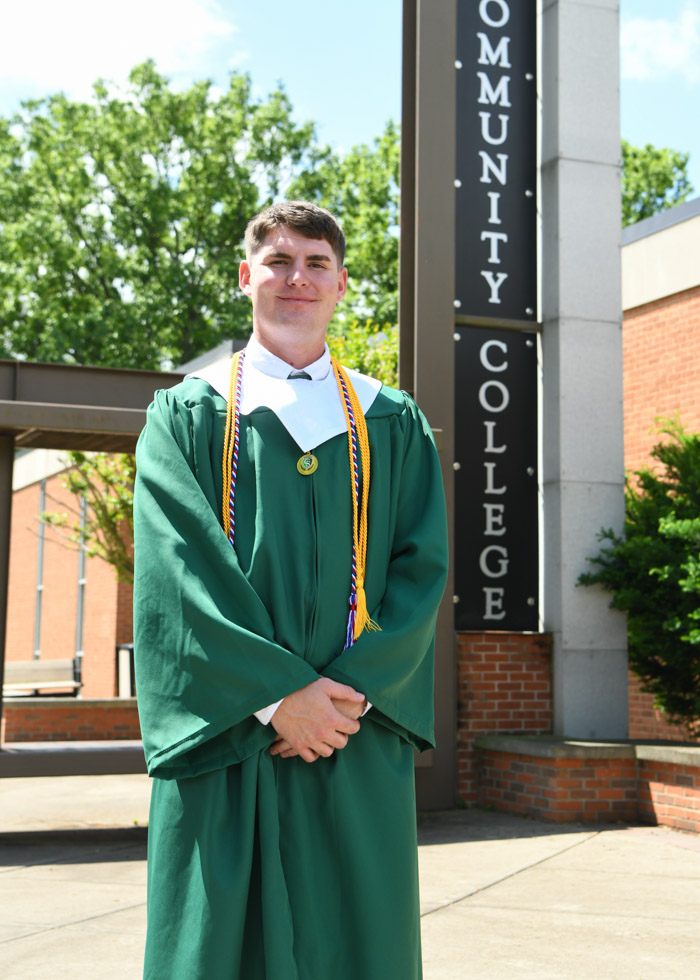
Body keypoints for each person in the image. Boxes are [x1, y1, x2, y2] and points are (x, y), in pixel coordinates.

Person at [133, 201, 448, 980]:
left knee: (357, 947)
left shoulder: (393, 421)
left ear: (342, 283)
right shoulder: (187, 415)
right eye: (278, 262)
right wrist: (279, 698)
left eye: (314, 264)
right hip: (232, 733)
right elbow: (179, 575)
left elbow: (420, 572)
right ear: (247, 277)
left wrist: (345, 698)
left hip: (353, 733)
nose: (295, 278)